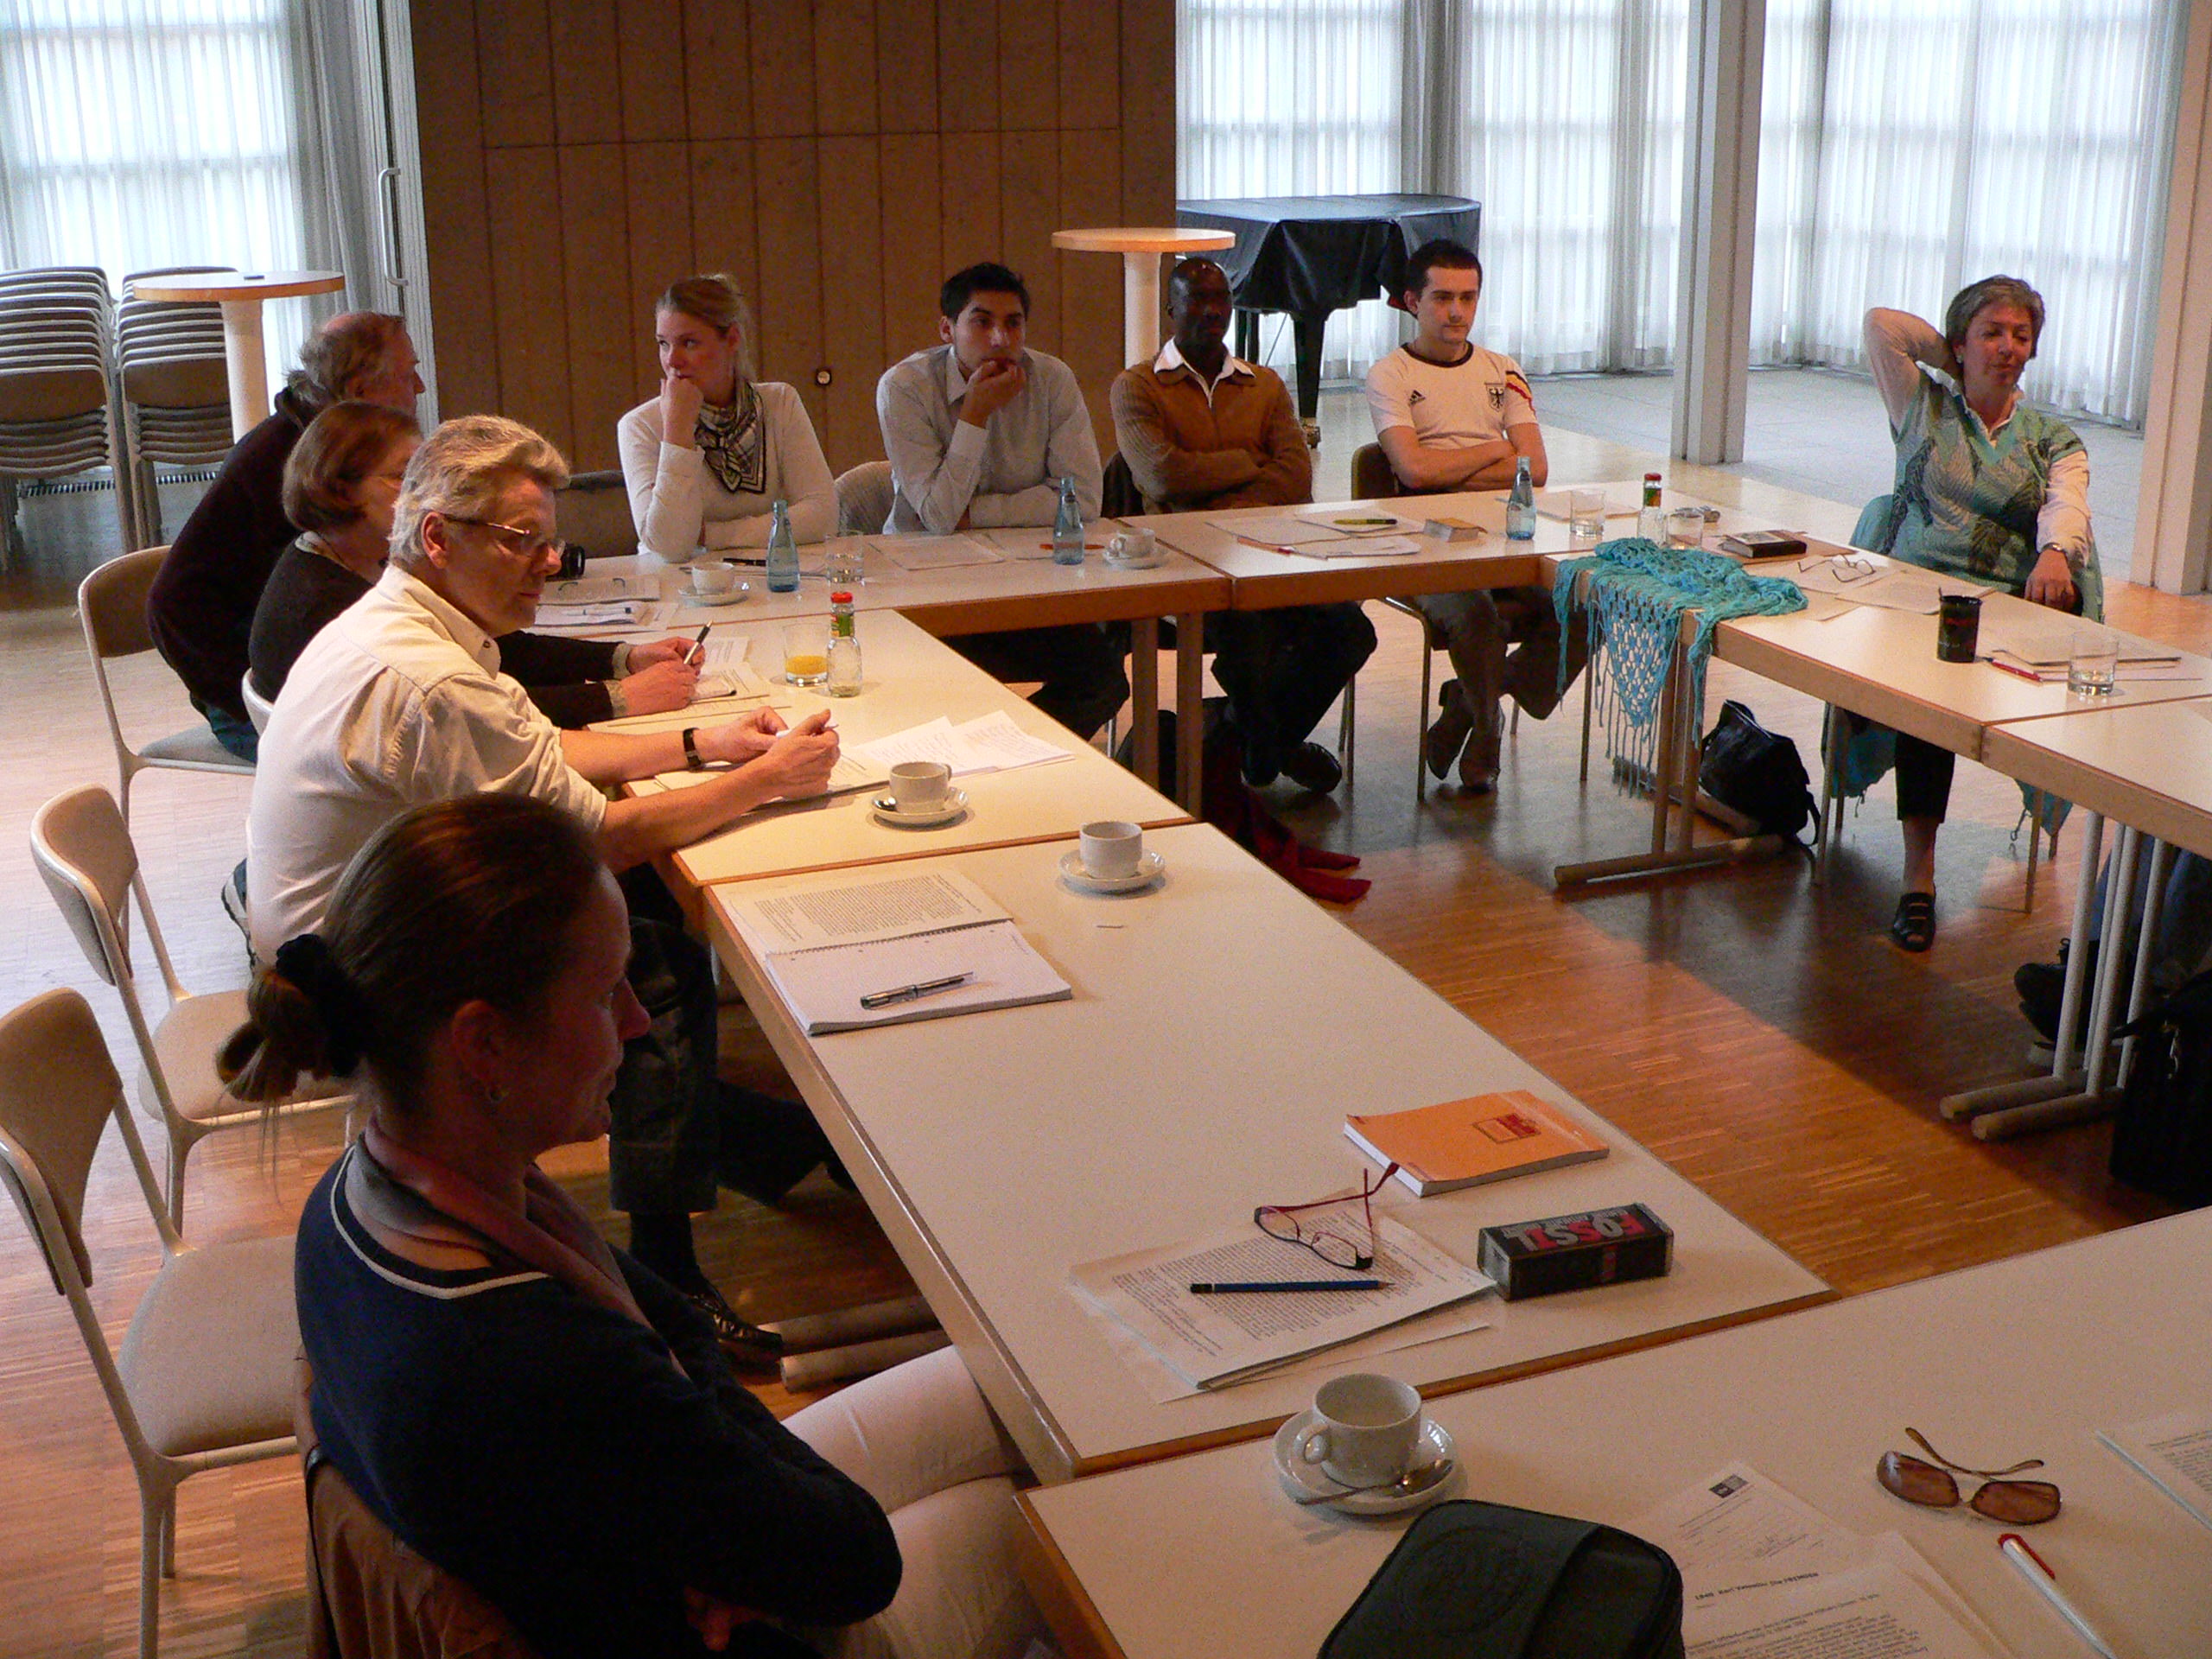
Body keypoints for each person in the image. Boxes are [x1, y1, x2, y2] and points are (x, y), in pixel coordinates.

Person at [226, 794, 1042, 1659]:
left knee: (1023, 1384)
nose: (637, 1019)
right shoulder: (532, 1363)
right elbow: (857, 1561)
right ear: (483, 1044)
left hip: (641, 1542)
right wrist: (734, 1484)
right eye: (604, 991)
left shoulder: (357, 1202)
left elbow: (672, 1325)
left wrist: (715, 1463)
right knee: (1044, 1515)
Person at [249, 413, 845, 1357]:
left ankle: (789, 1145)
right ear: (438, 536)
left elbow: (533, 751)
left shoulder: (398, 623)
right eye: (521, 540)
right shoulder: (431, 679)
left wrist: (703, 742)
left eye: (548, 540)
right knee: (651, 976)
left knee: (644, 953)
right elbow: (595, 840)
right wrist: (765, 781)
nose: (549, 562)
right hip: (359, 976)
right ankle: (675, 1266)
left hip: (340, 931)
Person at [1862, 278, 2097, 950]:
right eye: (1992, 333)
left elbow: (2068, 504)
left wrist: (2055, 553)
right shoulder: (1921, 405)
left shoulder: (2051, 437)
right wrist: (1957, 359)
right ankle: (1919, 879)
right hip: (1914, 599)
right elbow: (1882, 325)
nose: (2009, 348)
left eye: (2021, 336)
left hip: (2001, 607)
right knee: (1932, 699)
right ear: (1961, 341)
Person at [250, 401, 702, 727]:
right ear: (339, 488)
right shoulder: (325, 605)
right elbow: (478, 710)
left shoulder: (353, 562)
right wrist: (619, 697)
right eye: (406, 477)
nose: (425, 490)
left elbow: (499, 649)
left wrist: (623, 658)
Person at [1111, 257, 1374, 792]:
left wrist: (1208, 492)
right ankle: (1268, 747)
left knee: (1350, 628)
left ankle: (1240, 735)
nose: (1212, 312)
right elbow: (1161, 475)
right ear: (1170, 309)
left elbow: (1295, 478)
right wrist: (1247, 462)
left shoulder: (1265, 384)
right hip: (1183, 566)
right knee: (1250, 628)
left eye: (1221, 300)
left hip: (1272, 552)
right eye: (1197, 300)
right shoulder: (1137, 386)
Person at [148, 311, 423, 760]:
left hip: (317, 679)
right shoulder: (281, 461)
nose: (420, 388)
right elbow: (169, 604)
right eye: (409, 374)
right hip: (259, 699)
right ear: (359, 390)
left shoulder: (342, 449)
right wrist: (254, 702)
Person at [876, 261, 1128, 741]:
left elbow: (1082, 500)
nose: (999, 339)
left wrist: (977, 513)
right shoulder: (905, 387)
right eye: (982, 322)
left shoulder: (1051, 379)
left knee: (1103, 679)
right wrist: (974, 415)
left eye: (1013, 323)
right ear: (947, 329)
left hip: (1025, 583)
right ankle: (983, 751)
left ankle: (1008, 749)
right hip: (927, 590)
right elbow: (939, 516)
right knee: (934, 696)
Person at [1365, 239, 1581, 792]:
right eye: (1442, 298)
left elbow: (1536, 470)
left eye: (1468, 298)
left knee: (1585, 602)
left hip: (1506, 534)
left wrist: (1453, 467)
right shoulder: (1389, 374)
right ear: (1412, 302)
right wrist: (1495, 451)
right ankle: (1487, 726)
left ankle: (1468, 700)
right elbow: (1414, 472)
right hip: (1427, 543)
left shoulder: (1502, 370)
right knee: (1477, 616)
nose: (1457, 312)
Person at [619, 274, 839, 561]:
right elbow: (671, 547)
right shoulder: (639, 426)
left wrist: (712, 535)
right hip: (675, 583)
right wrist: (677, 433)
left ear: (732, 339)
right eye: (663, 344)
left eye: (689, 343)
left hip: (767, 576)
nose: (672, 360)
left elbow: (823, 515)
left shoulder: (779, 402)